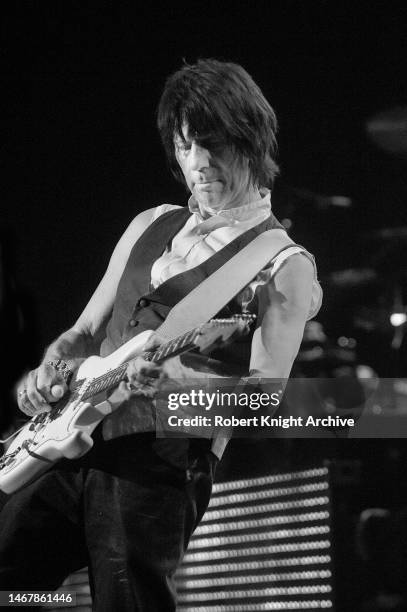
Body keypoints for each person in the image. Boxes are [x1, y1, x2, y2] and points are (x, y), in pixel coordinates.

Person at [0, 59, 322, 610]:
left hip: (161, 460)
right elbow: (84, 331)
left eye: (213, 145)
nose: (197, 164)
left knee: (129, 600)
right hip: (71, 437)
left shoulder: (282, 262)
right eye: (184, 146)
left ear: (252, 141)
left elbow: (263, 401)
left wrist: (178, 385)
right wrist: (53, 363)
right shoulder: (150, 222)